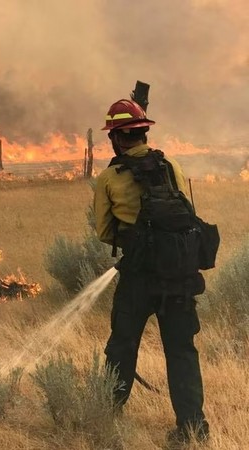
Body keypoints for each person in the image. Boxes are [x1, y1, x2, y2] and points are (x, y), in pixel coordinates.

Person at [93, 99, 210, 445]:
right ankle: (193, 428)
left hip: (138, 278)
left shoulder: (110, 177)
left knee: (122, 346)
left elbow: (103, 232)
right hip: (178, 274)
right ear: (145, 131)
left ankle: (105, 416)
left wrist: (136, 240)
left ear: (116, 139)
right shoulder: (170, 164)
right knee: (181, 351)